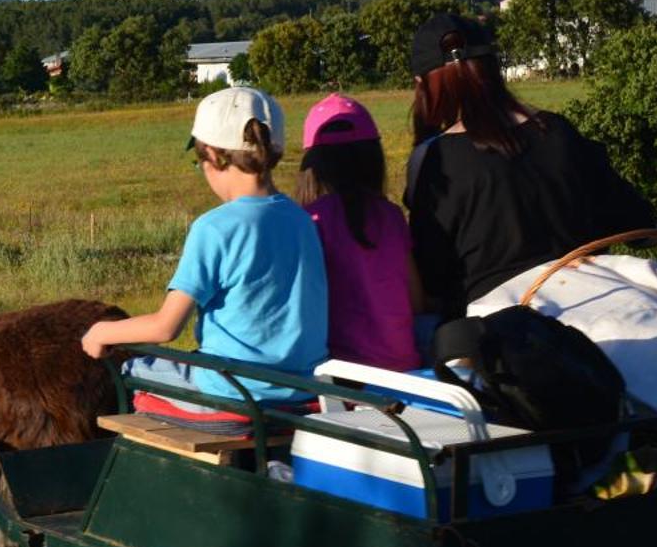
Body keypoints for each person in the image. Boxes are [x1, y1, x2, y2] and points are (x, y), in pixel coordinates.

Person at [81, 85, 328, 410]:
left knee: (133, 371)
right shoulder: (302, 220)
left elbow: (165, 327)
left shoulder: (213, 228)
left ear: (212, 155)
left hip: (231, 392)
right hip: (302, 389)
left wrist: (100, 332)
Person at [404, 13, 655, 319]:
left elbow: (432, 282)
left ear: (425, 85)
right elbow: (641, 225)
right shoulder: (559, 131)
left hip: (507, 332)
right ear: (494, 69)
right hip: (604, 299)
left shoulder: (434, 159)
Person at [295, 94, 423, 371]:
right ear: (373, 159)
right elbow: (416, 300)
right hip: (404, 369)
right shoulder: (391, 215)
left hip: (344, 374)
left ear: (312, 167)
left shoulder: (310, 221)